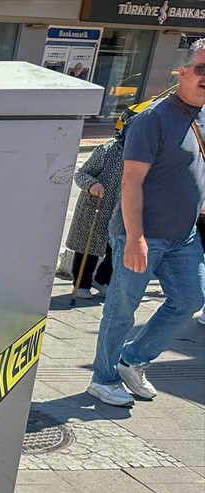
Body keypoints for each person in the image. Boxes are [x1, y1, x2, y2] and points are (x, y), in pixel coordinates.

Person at [87, 39, 205, 408]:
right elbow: (131, 182)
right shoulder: (152, 119)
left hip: (183, 237)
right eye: (201, 69)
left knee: (189, 300)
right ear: (182, 72)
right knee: (122, 310)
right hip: (143, 235)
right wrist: (135, 237)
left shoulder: (201, 117)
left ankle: (132, 359)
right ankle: (102, 379)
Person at [65, 131, 125, 299]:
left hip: (122, 208)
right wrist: (93, 184)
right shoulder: (108, 149)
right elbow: (81, 173)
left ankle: (101, 279)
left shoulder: (144, 153)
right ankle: (81, 284)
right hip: (96, 206)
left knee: (118, 247)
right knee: (88, 246)